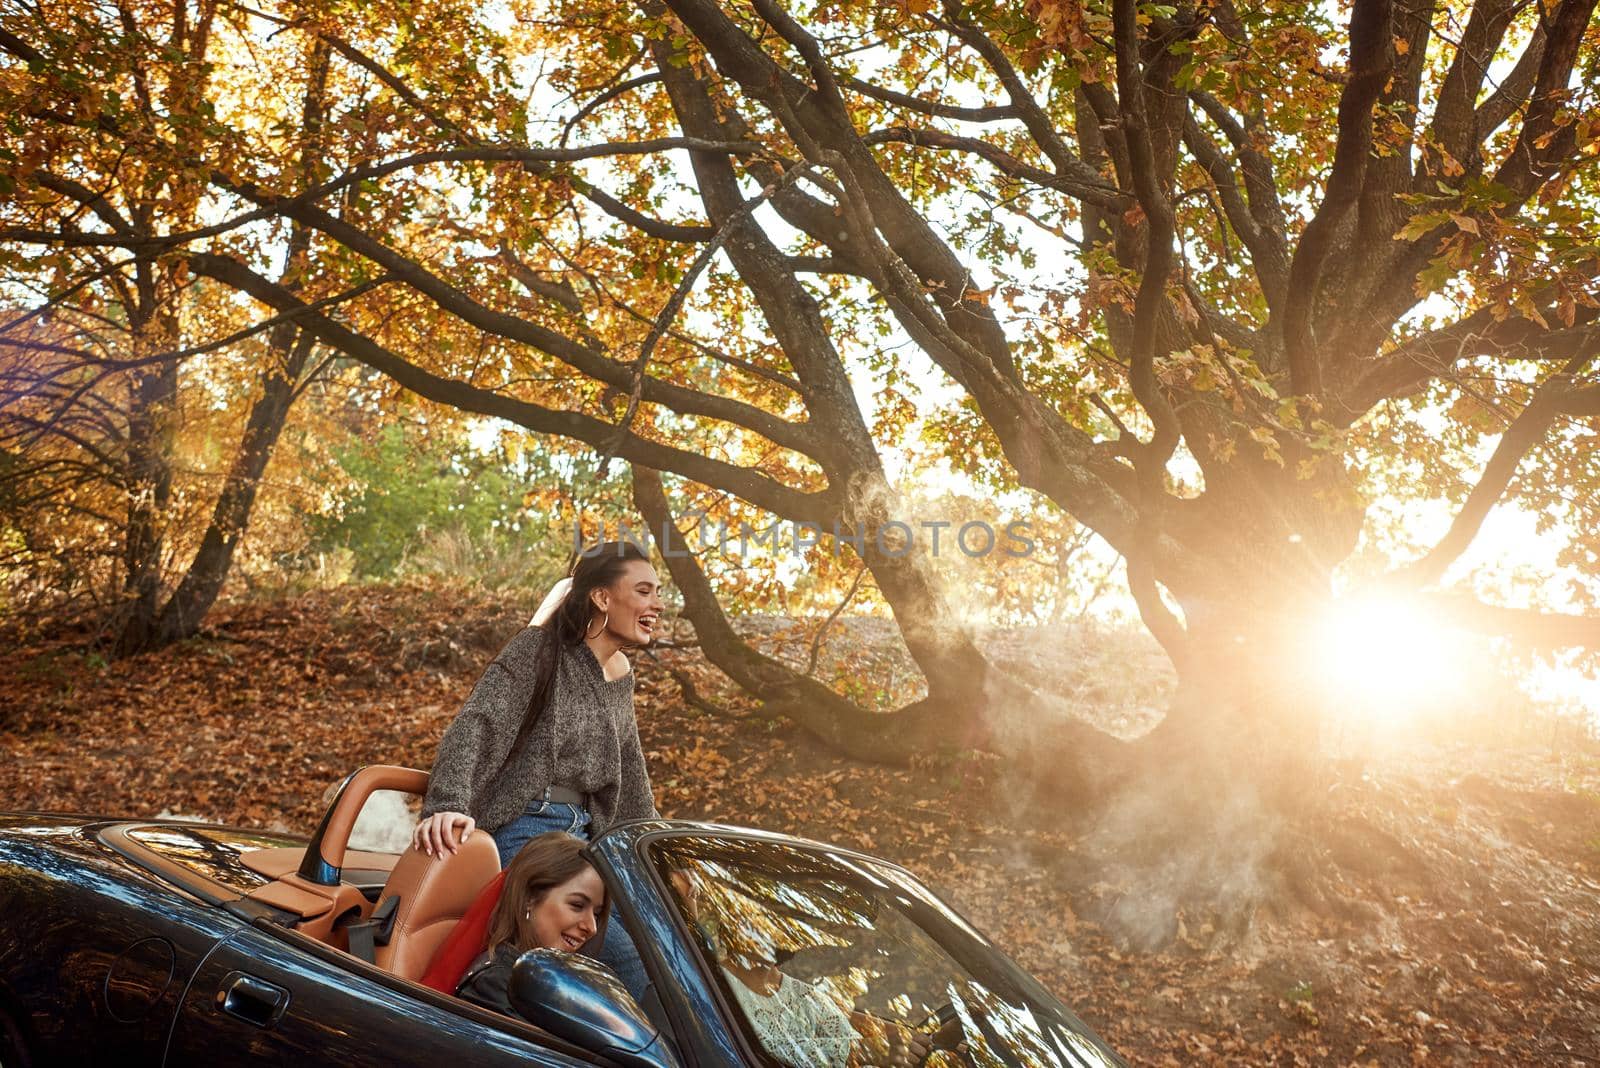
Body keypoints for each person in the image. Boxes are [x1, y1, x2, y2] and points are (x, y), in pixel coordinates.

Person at [414, 539, 663, 999]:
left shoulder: (620, 672)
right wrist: (447, 803)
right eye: (645, 591)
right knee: (626, 956)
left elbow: (631, 775)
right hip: (527, 828)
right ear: (603, 597)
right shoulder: (540, 650)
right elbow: (478, 722)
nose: (657, 604)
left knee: (665, 944)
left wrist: (658, 853)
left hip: (591, 838)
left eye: (658, 592)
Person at [455, 831, 607, 1014]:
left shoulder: (557, 979)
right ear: (530, 898)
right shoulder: (495, 984)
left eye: (597, 914)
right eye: (577, 905)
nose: (591, 927)